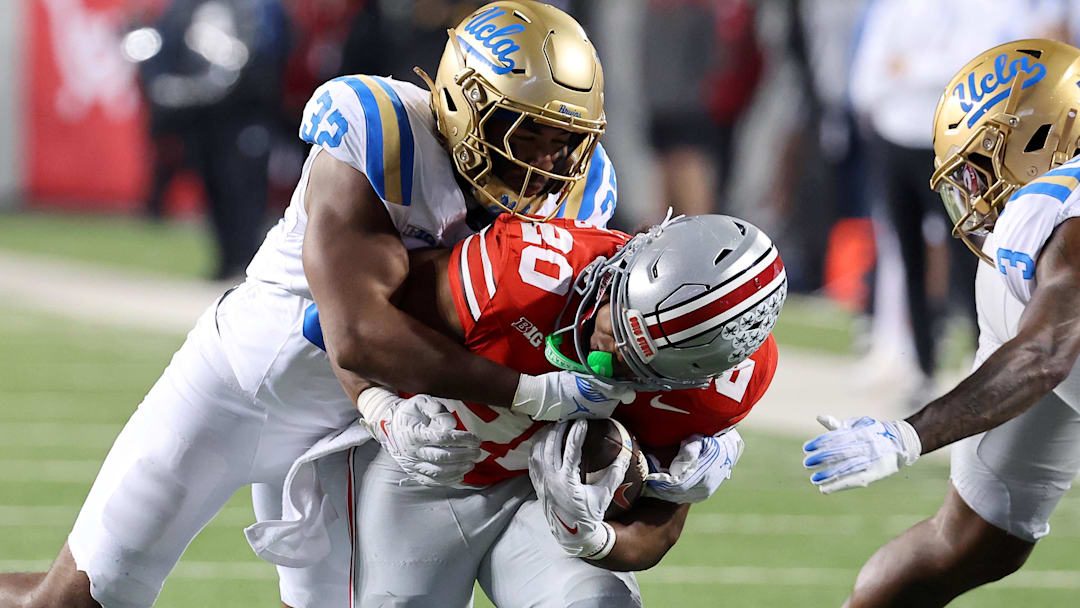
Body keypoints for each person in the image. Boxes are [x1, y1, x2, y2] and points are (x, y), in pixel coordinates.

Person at [0, 3, 629, 607]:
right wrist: (523, 392)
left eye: (563, 140)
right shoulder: (380, 130)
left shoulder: (585, 195)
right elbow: (355, 332)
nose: (545, 163)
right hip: (239, 387)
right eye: (525, 133)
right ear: (465, 102)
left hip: (354, 435)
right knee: (74, 602)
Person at [253, 212, 785, 606]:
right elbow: (344, 328)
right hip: (431, 481)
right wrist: (380, 406)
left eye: (632, 360)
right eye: (615, 312)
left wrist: (599, 540)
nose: (603, 346)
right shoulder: (523, 272)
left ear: (695, 373)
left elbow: (661, 527)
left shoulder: (721, 389)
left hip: (546, 506)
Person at [802, 39, 1080, 606]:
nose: (972, 197)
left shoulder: (1055, 211)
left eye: (981, 168)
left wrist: (908, 436)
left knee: (957, 543)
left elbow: (1046, 353)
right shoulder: (1035, 225)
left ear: (1047, 141)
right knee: (971, 537)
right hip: (1033, 313)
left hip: (1045, 332)